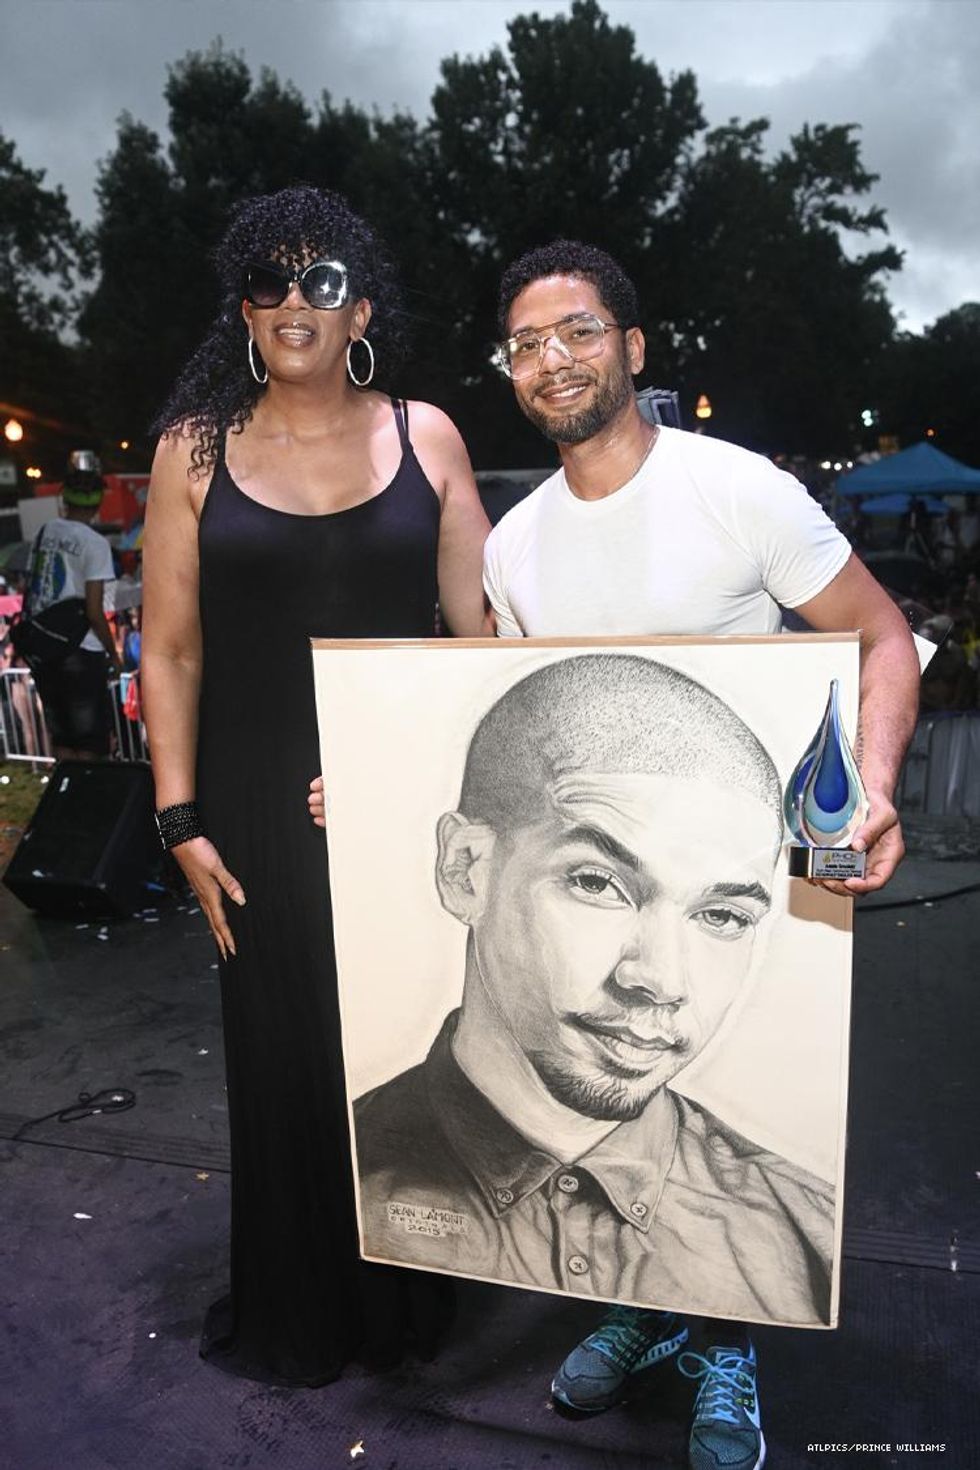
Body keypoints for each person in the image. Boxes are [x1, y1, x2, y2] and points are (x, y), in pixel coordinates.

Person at [480, 240, 920, 1470]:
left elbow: (880, 639)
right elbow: (506, 721)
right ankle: (639, 1307)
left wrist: (870, 789)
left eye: (574, 331)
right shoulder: (511, 546)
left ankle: (724, 1341)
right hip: (600, 889)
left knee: (731, 1109)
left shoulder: (738, 490)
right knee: (614, 1111)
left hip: (743, 885)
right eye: (524, 343)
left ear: (631, 346)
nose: (549, 359)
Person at [141, 184, 490, 1386]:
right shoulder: (191, 450)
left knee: (398, 1046)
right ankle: (302, 1308)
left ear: (362, 310)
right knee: (287, 1053)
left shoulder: (427, 436)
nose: (296, 302)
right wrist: (177, 818)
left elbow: (477, 642)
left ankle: (405, 1306)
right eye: (271, 281)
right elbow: (169, 647)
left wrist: (409, 773)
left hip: (393, 808)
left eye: (322, 282)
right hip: (250, 811)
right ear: (245, 307)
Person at [354, 653, 835, 1327]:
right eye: (596, 883)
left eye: (721, 916)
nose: (662, 981)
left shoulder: (809, 1236)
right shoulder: (343, 1178)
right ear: (467, 870)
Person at [26, 453, 120, 760]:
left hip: (45, 647)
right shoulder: (95, 544)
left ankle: (66, 801)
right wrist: (113, 654)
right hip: (80, 650)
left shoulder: (46, 532)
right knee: (90, 741)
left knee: (62, 736)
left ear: (64, 498)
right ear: (97, 502)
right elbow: (94, 610)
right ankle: (89, 800)